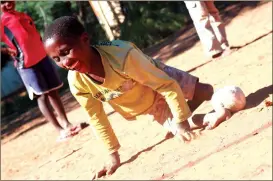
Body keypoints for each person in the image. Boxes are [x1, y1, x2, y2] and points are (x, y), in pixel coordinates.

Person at [43, 16, 228, 179]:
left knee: (204, 92)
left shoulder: (122, 56)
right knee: (181, 126)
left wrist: (181, 122)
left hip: (159, 77)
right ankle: (204, 113)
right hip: (148, 102)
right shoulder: (77, 82)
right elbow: (96, 117)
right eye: (56, 59)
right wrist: (112, 156)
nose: (64, 63)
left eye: (66, 52)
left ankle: (190, 108)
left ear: (84, 39)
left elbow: (165, 84)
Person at [1, 1, 85, 141]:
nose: (7, 3)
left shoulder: (23, 15)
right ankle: (60, 130)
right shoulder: (2, 23)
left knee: (53, 91)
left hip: (42, 58)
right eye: (2, 2)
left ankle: (67, 124)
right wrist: (4, 50)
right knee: (42, 96)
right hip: (26, 65)